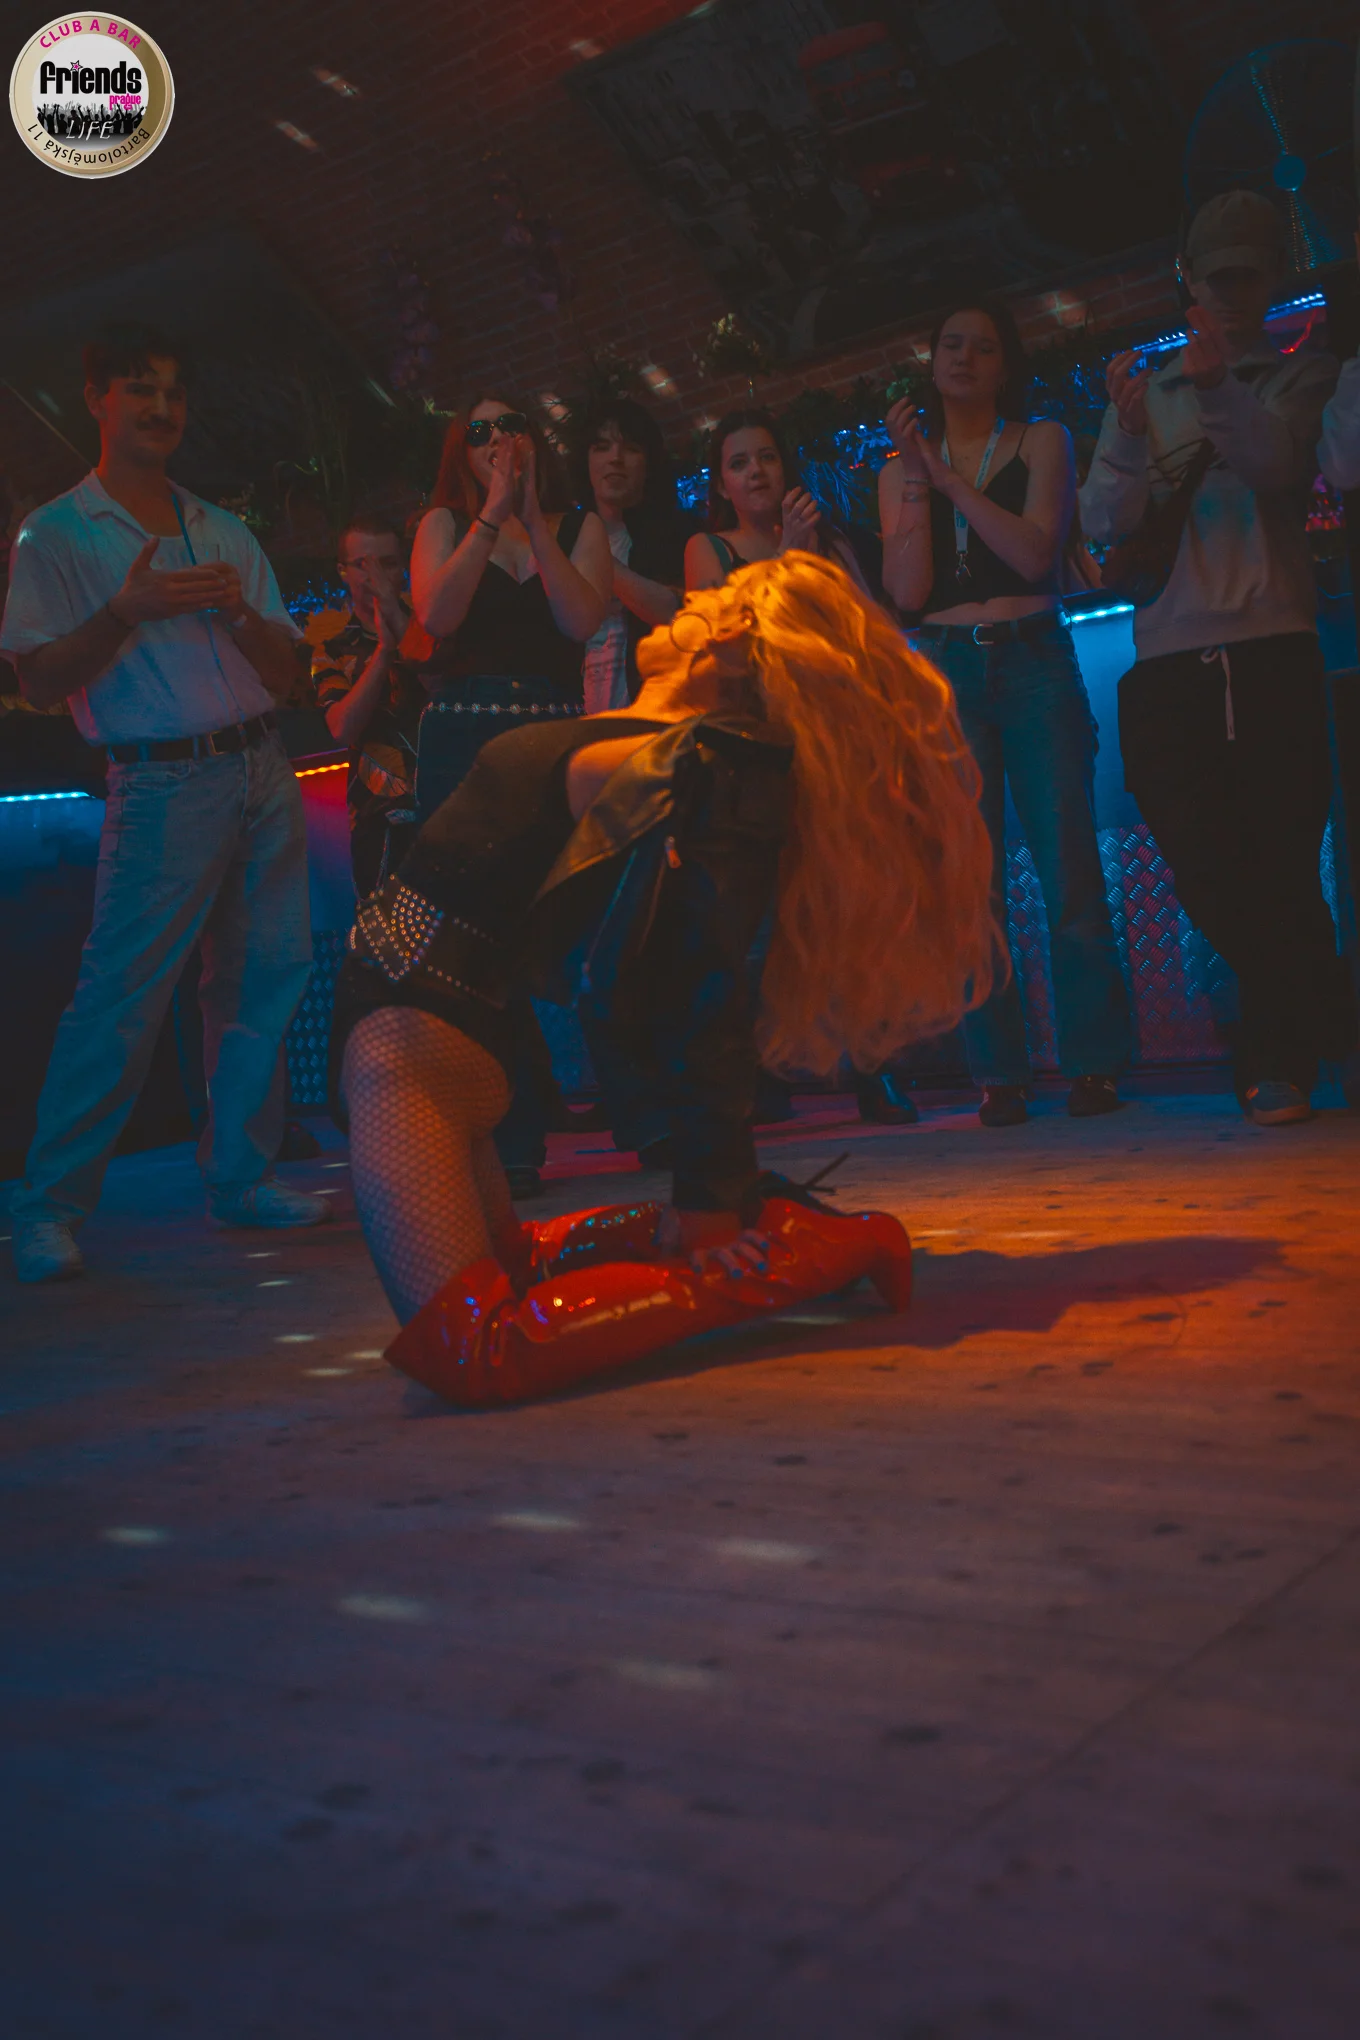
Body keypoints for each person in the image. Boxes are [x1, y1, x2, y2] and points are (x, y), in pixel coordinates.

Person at [331, 553, 1000, 1408]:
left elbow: (707, 983)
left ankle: (826, 1247)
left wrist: (711, 1199)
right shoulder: (650, 750)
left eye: (722, 603)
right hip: (434, 1033)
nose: (694, 605)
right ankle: (778, 1227)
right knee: (516, 1267)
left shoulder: (700, 771)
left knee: (477, 1349)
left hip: (412, 1048)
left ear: (747, 652)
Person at [1, 323, 326, 1285]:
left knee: (262, 983)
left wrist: (235, 610)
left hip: (259, 765)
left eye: (174, 392)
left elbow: (290, 674)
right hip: (158, 781)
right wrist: (124, 613)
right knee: (121, 1000)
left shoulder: (220, 528)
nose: (161, 408)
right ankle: (48, 1208)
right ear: (95, 399)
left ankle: (242, 1179)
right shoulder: (58, 534)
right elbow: (36, 681)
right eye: (139, 388)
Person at [1082, 190, 1352, 1126]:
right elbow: (1101, 521)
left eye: (1250, 275)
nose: (1233, 294)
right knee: (1204, 868)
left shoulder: (1303, 375)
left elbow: (1279, 465)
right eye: (1217, 276)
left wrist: (1217, 387)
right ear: (1188, 281)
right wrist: (1124, 431)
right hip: (1168, 660)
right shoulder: (1146, 394)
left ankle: (1276, 1067)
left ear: (1274, 279)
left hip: (1272, 646)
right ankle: (1338, 1017)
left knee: (1282, 865)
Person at [880, 298, 1132, 1128]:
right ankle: (1000, 1074)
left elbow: (1033, 555)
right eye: (950, 345)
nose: (963, 358)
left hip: (1032, 656)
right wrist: (916, 476)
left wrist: (950, 478)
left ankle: (1095, 1064)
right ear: (931, 362)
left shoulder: (1040, 440)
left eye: (982, 348)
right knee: (972, 884)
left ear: (1005, 365)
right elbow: (908, 592)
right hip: (949, 670)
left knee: (1067, 869)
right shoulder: (898, 470)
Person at [406, 395, 612, 1196]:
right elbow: (436, 614)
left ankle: (631, 1104)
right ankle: (513, 1137)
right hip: (466, 740)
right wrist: (492, 516)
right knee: (476, 942)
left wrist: (532, 521)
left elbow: (581, 621)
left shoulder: (578, 525)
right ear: (460, 450)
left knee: (569, 925)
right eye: (480, 430)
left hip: (554, 737)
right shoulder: (444, 525)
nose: (498, 438)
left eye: (511, 425)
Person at [687, 409, 911, 1126]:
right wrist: (785, 561)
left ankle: (874, 1068)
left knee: (851, 908)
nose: (755, 471)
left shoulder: (829, 538)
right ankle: (760, 1075)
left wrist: (813, 559)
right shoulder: (708, 549)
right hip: (753, 750)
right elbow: (727, 652)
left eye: (766, 457)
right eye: (738, 462)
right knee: (758, 918)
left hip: (833, 742)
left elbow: (872, 633)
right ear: (721, 483)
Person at [311, 514, 430, 897]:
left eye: (387, 563)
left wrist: (398, 622)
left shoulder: (434, 631)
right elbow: (341, 727)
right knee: (385, 926)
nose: (374, 576)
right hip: (377, 820)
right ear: (343, 572)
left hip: (446, 802)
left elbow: (443, 686)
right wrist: (383, 652)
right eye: (363, 565)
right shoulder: (331, 650)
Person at [573, 396, 692, 713]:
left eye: (630, 448)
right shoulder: (564, 534)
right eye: (602, 447)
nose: (615, 458)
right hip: (576, 715)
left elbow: (681, 615)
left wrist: (602, 562)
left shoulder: (677, 535)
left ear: (648, 462)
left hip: (654, 710)